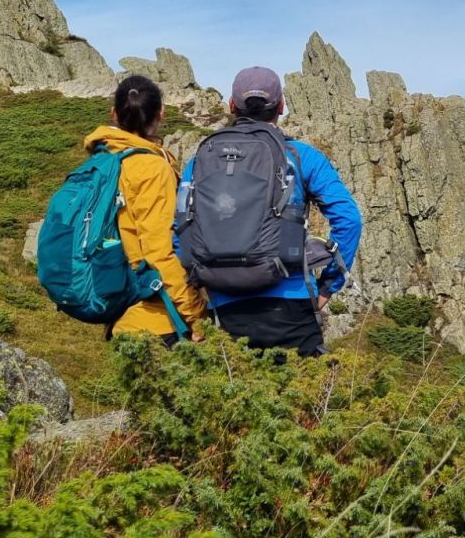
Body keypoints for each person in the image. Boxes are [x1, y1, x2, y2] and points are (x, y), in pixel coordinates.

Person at [177, 66, 361, 357]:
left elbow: (180, 231)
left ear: (232, 106)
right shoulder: (301, 156)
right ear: (282, 106)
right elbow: (349, 220)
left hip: (224, 308)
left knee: (234, 398)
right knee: (303, 398)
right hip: (292, 303)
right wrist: (328, 286)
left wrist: (198, 291)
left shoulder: (199, 160)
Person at [83, 75, 207, 343]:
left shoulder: (101, 163)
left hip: (119, 316)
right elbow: (159, 251)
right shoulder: (152, 168)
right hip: (160, 320)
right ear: (161, 114)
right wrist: (196, 314)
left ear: (114, 114)